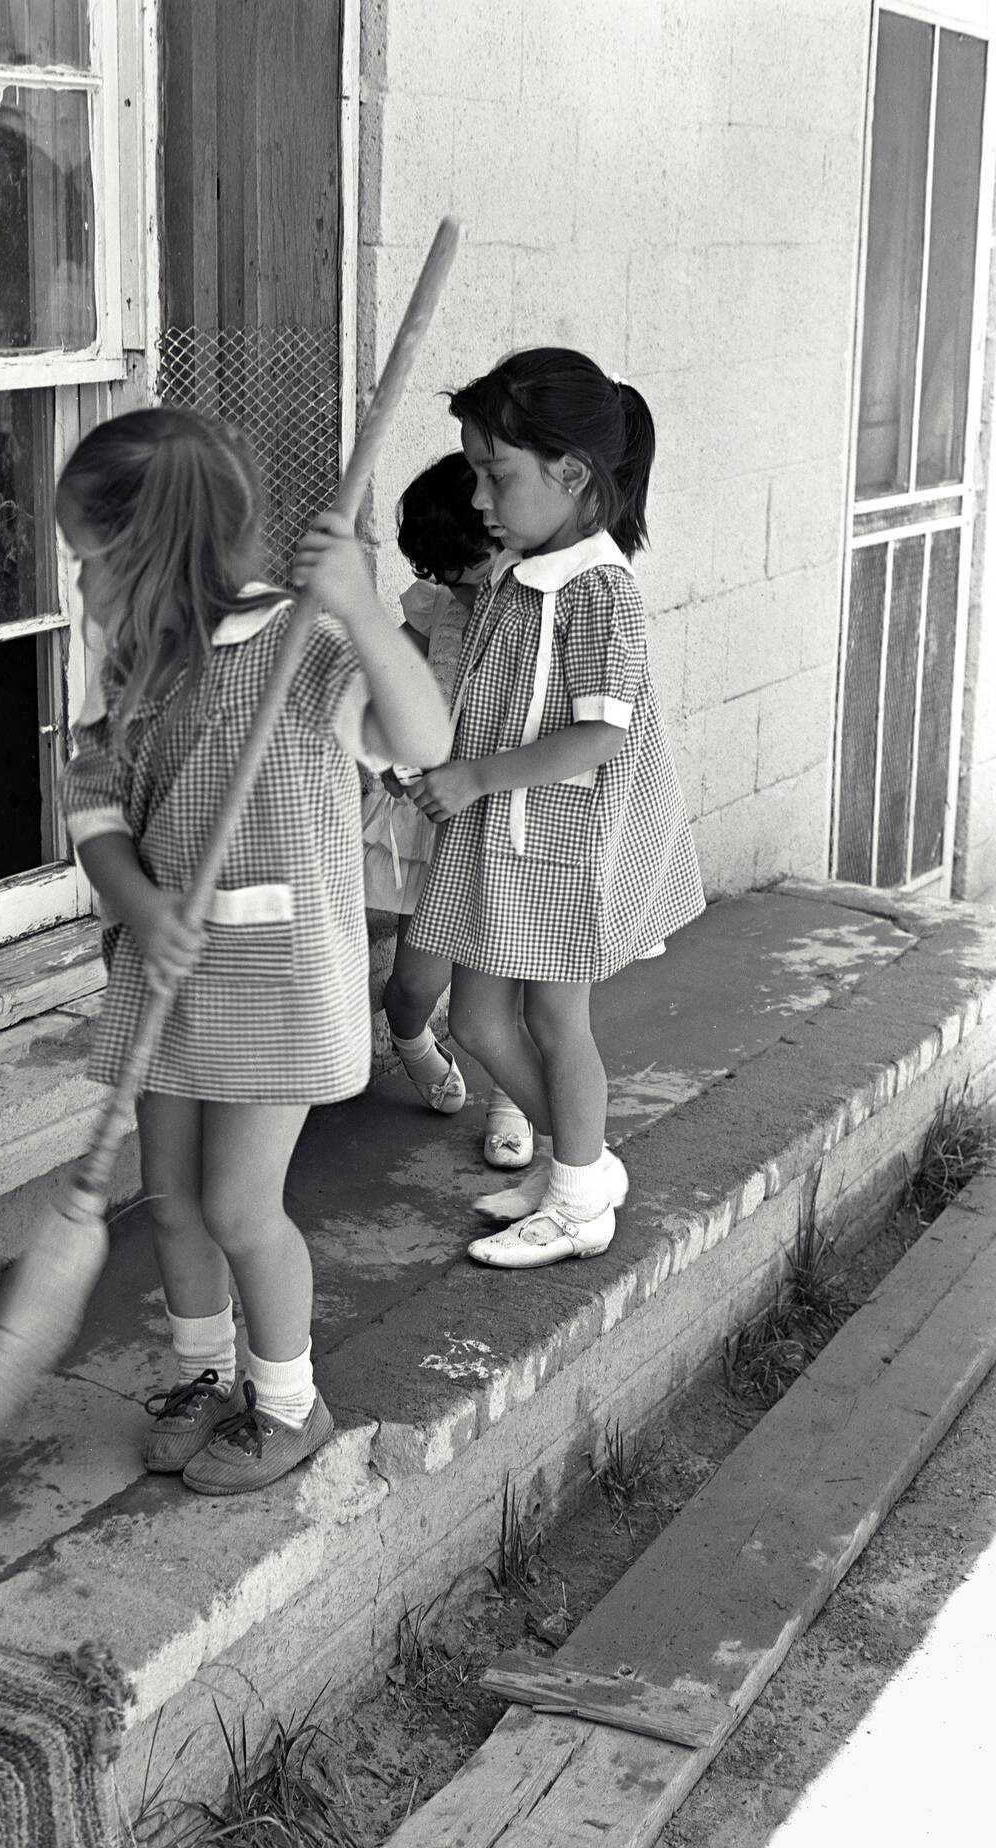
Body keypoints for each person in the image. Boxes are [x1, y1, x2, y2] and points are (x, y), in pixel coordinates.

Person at [58, 407, 451, 1492]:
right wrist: (136, 900)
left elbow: (424, 741)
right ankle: (204, 1373)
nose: (82, 591)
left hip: (275, 980)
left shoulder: (311, 649)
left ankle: (287, 1401)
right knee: (172, 1196)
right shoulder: (132, 664)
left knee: (238, 1203)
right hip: (163, 970)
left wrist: (365, 608)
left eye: (93, 565)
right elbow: (91, 804)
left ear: (156, 556)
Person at [404, 347, 705, 1268]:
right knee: (478, 1021)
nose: (481, 500)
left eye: (495, 475)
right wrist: (432, 762)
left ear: (571, 473)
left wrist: (479, 777)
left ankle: (579, 1200)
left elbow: (599, 735)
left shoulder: (598, 591)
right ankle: (583, 1165)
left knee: (555, 1021)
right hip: (503, 839)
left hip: (560, 851)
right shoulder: (516, 573)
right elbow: (482, 695)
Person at [364, 452, 533, 1171]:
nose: (466, 591)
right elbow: (386, 689)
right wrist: (388, 757)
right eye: (449, 577)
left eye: (474, 571)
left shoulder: (530, 607)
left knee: (510, 969)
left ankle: (514, 1095)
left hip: (510, 813)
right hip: (436, 815)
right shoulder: (437, 607)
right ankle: (409, 1037)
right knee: (417, 980)